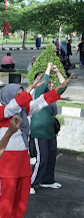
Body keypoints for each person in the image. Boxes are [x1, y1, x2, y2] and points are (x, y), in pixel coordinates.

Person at [0, 75, 70, 218]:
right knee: (7, 193)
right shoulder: (1, 112)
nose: (21, 97)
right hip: (7, 158)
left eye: (21, 93)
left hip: (22, 156)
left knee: (24, 189)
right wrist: (29, 88)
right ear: (8, 96)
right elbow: (13, 106)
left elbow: (39, 103)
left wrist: (57, 90)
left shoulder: (22, 111)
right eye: (17, 94)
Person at [30, 63, 70, 193]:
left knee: (51, 158)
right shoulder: (37, 94)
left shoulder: (51, 95)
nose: (51, 85)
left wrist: (57, 70)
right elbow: (43, 83)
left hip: (50, 132)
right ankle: (30, 183)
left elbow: (64, 85)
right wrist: (47, 68)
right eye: (49, 82)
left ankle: (48, 180)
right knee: (42, 160)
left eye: (52, 83)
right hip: (39, 132)